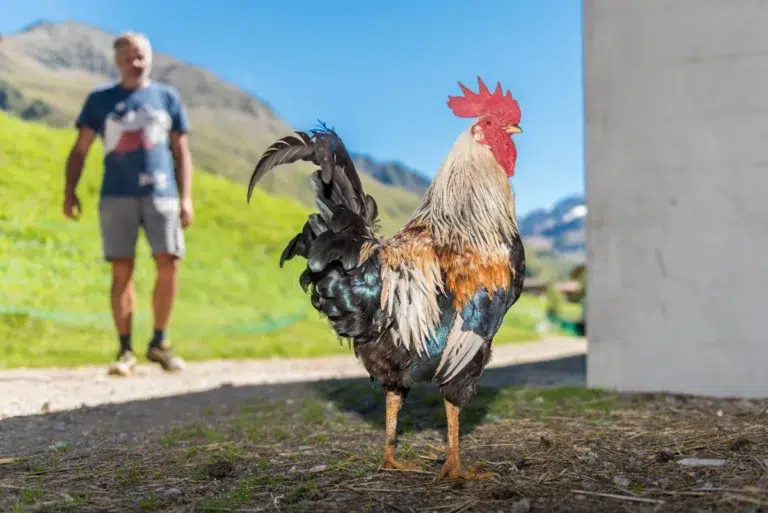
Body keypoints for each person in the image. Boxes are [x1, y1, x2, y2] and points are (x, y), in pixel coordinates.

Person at [63, 31, 193, 376]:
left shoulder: (167, 97)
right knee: (122, 270)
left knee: (169, 262)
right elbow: (80, 150)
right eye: (126, 58)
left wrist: (186, 198)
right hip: (116, 196)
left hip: (161, 195)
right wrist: (69, 190)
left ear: (149, 58)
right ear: (116, 62)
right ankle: (125, 351)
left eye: (139, 56)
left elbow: (181, 152)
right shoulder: (99, 100)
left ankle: (159, 343)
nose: (133, 63)